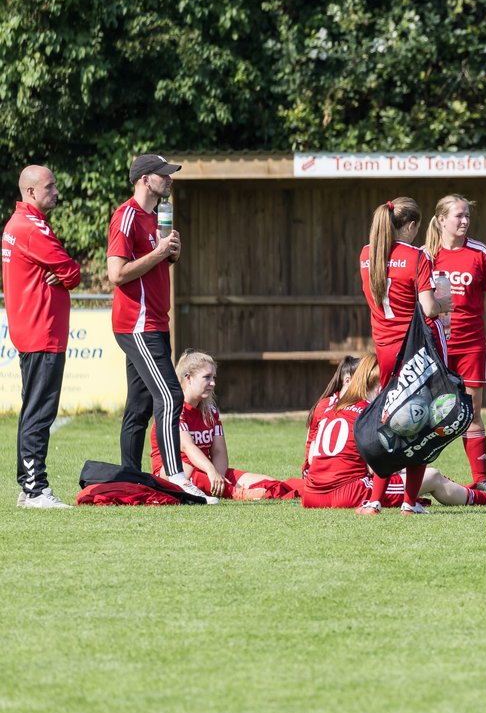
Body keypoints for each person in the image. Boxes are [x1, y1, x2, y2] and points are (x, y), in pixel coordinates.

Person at [107, 153, 209, 501]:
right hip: (136, 324)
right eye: (163, 175)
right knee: (170, 395)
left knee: (138, 405)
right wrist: (159, 253)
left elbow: (155, 262)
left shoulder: (156, 216)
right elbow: (116, 273)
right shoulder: (126, 216)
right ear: (144, 179)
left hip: (155, 321)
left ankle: (129, 481)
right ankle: (175, 475)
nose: (170, 180)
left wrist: (171, 253)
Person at [302, 355, 486, 510]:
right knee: (432, 476)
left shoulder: (331, 408)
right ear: (376, 385)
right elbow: (373, 466)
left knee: (412, 473)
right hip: (346, 493)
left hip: (311, 493)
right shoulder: (368, 414)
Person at [358, 196, 453, 515]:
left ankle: (374, 499)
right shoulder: (416, 257)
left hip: (383, 350)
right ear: (411, 226)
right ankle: (409, 502)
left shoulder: (366, 255)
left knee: (388, 422)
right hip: (413, 351)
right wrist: (445, 305)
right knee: (419, 421)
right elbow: (428, 307)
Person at [3, 165, 82, 508]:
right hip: (42, 330)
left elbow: (61, 270)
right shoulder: (32, 228)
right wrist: (65, 273)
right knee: (39, 414)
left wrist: (60, 273)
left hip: (34, 330)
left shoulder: (18, 224)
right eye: (50, 187)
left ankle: (29, 486)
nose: (57, 192)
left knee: (34, 411)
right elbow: (72, 272)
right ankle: (35, 490)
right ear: (31, 192)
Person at [422, 193, 486, 492]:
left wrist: (465, 319)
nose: (465, 221)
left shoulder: (480, 252)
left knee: (472, 410)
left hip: (470, 343)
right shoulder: (425, 255)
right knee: (423, 410)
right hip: (433, 345)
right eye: (458, 215)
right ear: (441, 219)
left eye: (467, 215)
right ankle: (416, 478)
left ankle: (481, 480)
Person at [149, 350, 298, 500]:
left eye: (213, 377)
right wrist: (211, 471)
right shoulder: (173, 409)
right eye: (207, 377)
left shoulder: (211, 411)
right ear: (188, 378)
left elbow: (219, 450)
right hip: (171, 472)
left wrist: (218, 476)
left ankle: (302, 486)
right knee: (183, 468)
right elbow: (187, 446)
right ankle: (237, 493)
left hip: (207, 470)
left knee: (270, 483)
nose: (213, 383)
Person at [303, 356, 360, 481]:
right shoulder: (328, 406)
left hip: (320, 473)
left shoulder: (331, 402)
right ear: (347, 380)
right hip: (320, 473)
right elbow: (312, 453)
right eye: (363, 381)